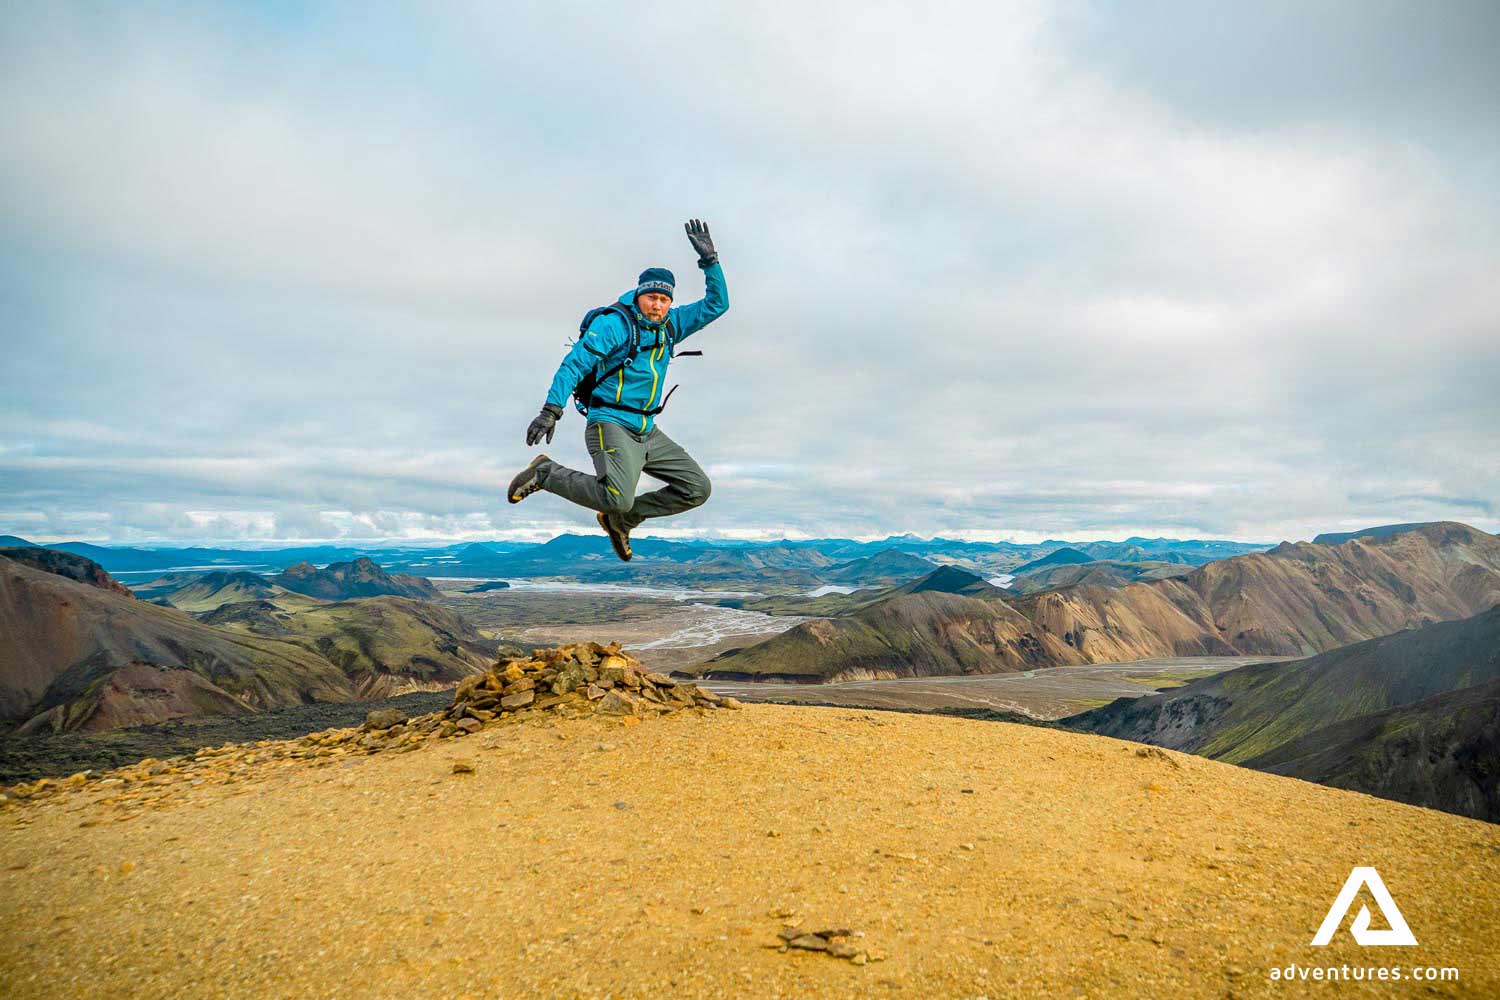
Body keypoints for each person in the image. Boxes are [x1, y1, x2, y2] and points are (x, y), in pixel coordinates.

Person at [507, 219, 728, 561]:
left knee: (697, 489)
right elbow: (574, 364)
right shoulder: (614, 325)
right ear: (640, 295)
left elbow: (717, 304)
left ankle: (623, 520)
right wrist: (551, 411)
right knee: (616, 495)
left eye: (664, 299)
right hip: (609, 421)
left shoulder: (673, 325)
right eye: (652, 297)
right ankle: (545, 473)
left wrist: (710, 261)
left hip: (646, 429)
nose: (657, 305)